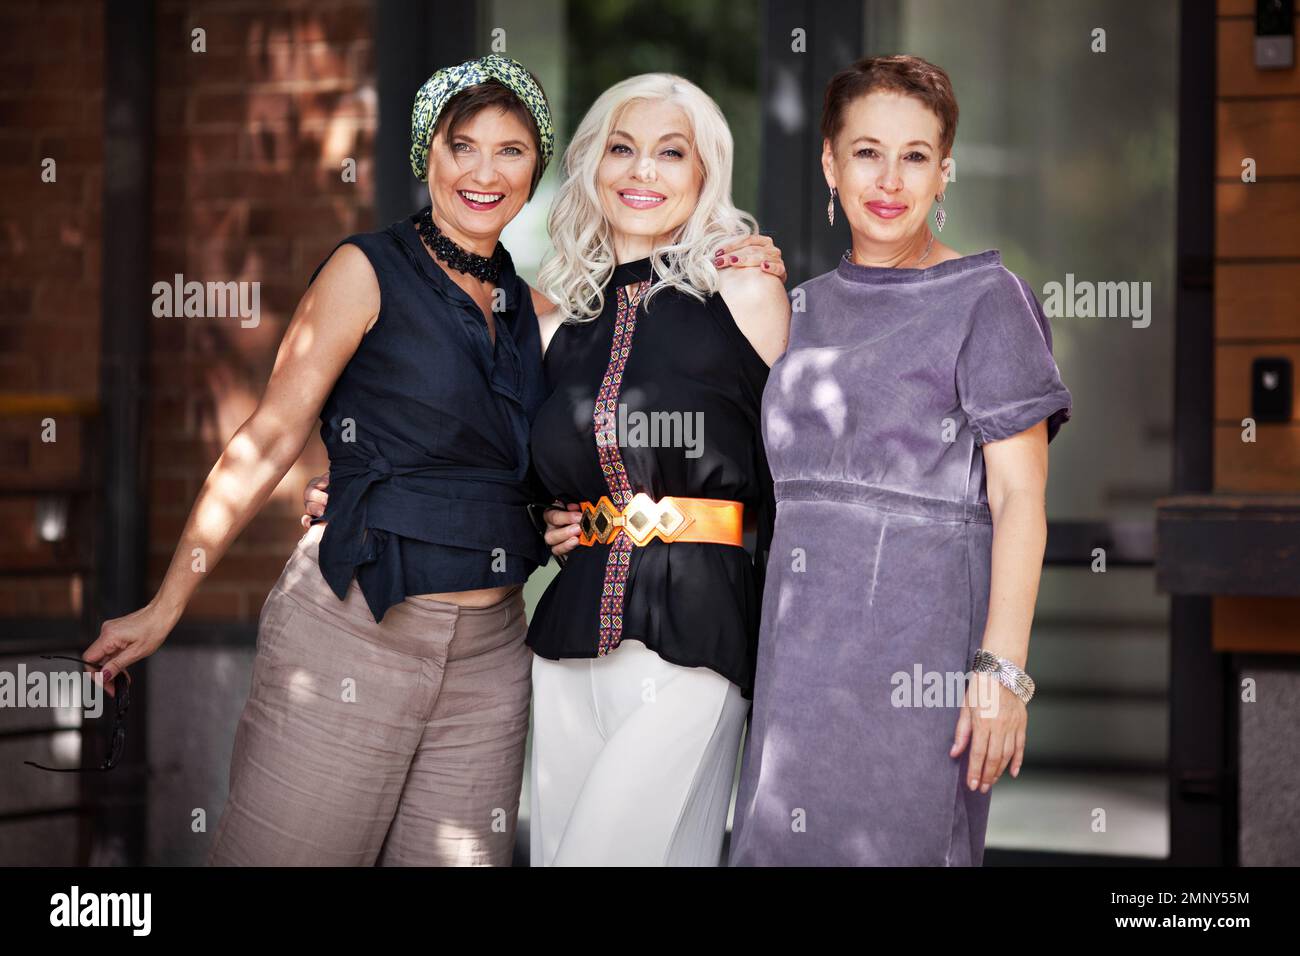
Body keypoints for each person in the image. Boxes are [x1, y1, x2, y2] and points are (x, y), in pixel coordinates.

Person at [85, 55, 561, 865]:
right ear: (427, 156)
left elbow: (578, 448)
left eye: (511, 150)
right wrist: (164, 607)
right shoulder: (366, 270)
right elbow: (269, 438)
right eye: (462, 145)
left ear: (535, 167)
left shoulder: (538, 313)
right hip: (356, 629)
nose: (485, 172)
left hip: (491, 664)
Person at [727, 55, 1072, 866]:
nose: (889, 179)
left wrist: (1002, 672)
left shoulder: (989, 299)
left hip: (924, 663)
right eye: (867, 152)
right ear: (829, 162)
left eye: (915, 155)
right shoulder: (796, 308)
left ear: (944, 168)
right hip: (796, 663)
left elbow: (1020, 499)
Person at [525, 73, 790, 866]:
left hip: (699, 639)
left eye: (671, 153)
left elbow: (794, 480)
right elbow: (518, 473)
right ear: (592, 168)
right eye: (622, 149)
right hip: (569, 643)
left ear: (705, 174)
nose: (643, 171)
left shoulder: (746, 289)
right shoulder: (554, 322)